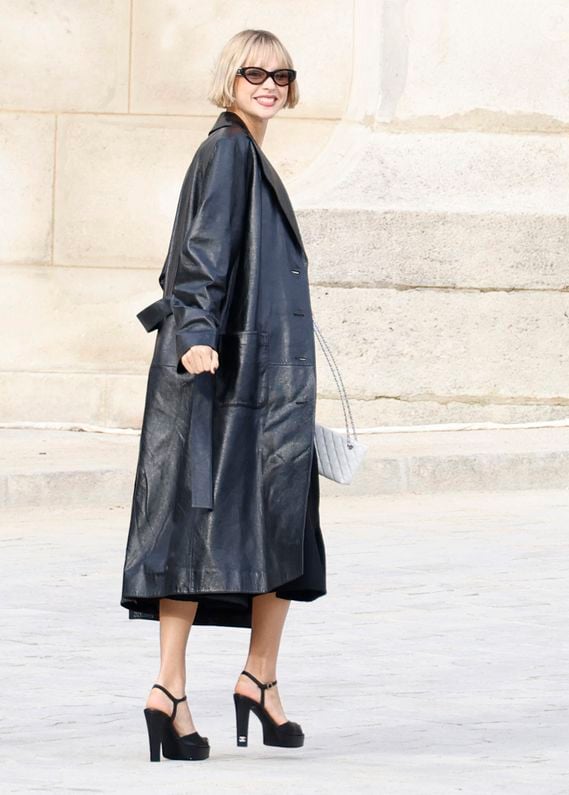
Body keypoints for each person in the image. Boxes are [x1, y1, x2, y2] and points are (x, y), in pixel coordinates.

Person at [120, 29, 326, 762]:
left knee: (278, 521)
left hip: (262, 379)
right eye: (255, 72)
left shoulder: (243, 150)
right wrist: (196, 331)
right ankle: (170, 690)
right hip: (230, 377)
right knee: (201, 526)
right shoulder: (231, 149)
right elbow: (200, 255)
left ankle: (257, 679)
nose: (270, 84)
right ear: (230, 78)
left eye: (282, 74)